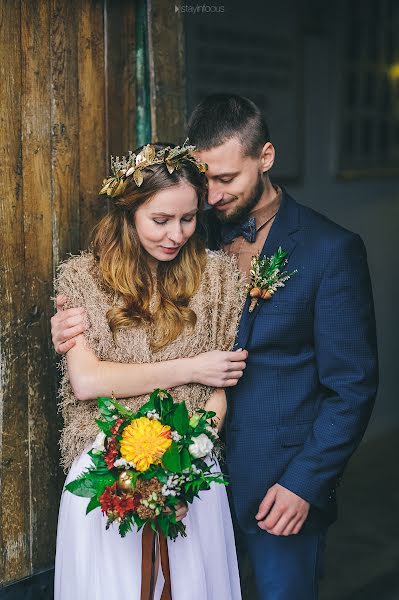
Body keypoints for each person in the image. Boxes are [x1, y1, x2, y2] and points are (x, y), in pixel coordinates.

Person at [52, 95, 379, 600]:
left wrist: (305, 483)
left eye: (226, 180)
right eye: (204, 181)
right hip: (181, 478)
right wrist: (72, 330)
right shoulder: (185, 228)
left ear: (265, 157)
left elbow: (352, 386)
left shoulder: (329, 249)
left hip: (275, 486)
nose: (212, 196)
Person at [53, 142, 246, 600]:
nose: (175, 234)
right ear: (129, 214)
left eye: (188, 218)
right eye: (160, 220)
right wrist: (193, 367)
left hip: (190, 473)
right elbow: (87, 381)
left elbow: (218, 393)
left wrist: (183, 471)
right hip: (108, 475)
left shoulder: (219, 278)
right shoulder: (82, 278)